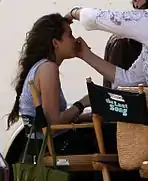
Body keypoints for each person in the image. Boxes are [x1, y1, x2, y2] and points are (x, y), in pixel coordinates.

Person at [7, 13, 95, 181]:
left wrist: (82, 116)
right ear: (56, 43)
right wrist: (83, 103)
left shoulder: (41, 67)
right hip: (53, 147)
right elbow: (55, 122)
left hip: (41, 144)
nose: (75, 39)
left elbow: (50, 118)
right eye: (69, 35)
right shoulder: (48, 68)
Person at [66, 0, 148, 89]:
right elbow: (129, 80)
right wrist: (87, 55)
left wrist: (73, 13)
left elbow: (93, 17)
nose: (134, 3)